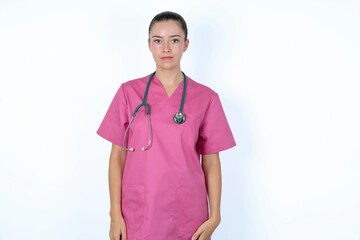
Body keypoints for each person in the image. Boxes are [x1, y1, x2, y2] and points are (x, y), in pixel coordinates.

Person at [97, 11, 236, 240]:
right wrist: (114, 214)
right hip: (139, 210)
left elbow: (211, 161)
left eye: (174, 40)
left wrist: (215, 217)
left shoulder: (206, 98)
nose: (166, 49)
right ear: (149, 45)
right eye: (158, 40)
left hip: (188, 212)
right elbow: (117, 158)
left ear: (186, 44)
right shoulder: (128, 93)